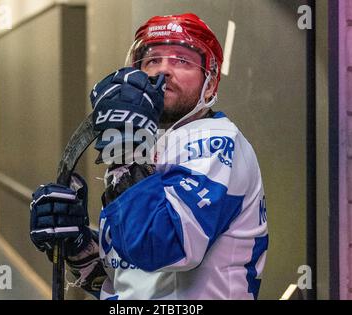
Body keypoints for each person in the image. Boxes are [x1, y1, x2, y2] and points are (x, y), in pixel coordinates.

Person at [30, 13, 268, 300]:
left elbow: (160, 248)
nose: (163, 71)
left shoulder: (215, 142)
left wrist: (126, 150)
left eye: (182, 60)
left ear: (211, 82)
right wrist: (79, 248)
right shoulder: (143, 146)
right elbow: (130, 282)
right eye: (152, 60)